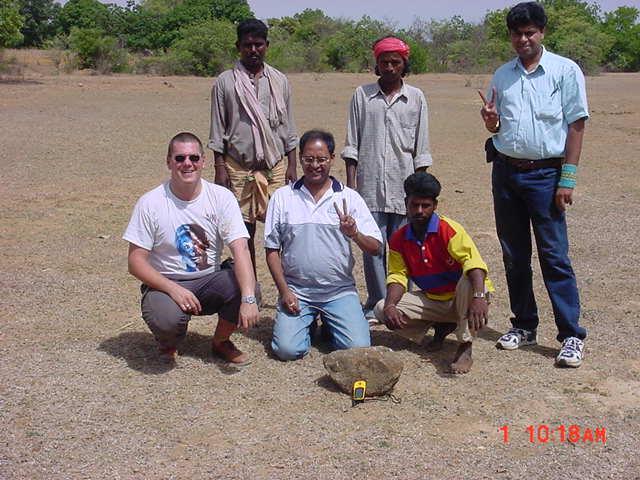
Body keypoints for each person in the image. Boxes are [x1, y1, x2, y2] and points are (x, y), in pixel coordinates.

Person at [479, 2, 588, 367]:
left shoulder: (564, 71)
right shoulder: (503, 75)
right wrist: (491, 122)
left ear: (542, 32)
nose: (523, 39)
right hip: (506, 173)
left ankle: (571, 335)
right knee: (514, 255)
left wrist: (567, 178)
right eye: (516, 33)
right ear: (509, 37)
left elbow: (576, 125)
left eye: (530, 32)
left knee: (554, 256)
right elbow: (497, 128)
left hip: (546, 176)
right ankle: (524, 325)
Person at [123, 132, 260, 364]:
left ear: (203, 161)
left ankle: (221, 342)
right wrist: (173, 289)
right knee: (166, 319)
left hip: (208, 279)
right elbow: (135, 262)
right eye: (180, 158)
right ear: (169, 162)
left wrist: (248, 298)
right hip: (167, 282)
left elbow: (241, 249)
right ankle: (168, 340)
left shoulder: (221, 198)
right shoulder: (150, 202)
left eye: (194, 158)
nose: (187, 163)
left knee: (249, 288)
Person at [265, 130, 383, 360]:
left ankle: (331, 321)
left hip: (339, 290)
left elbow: (376, 247)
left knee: (357, 349)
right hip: (297, 290)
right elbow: (271, 250)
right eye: (309, 159)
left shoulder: (349, 198)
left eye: (321, 159)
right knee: (287, 350)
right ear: (300, 159)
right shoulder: (282, 197)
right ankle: (306, 324)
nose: (315, 165)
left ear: (332, 158)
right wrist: (285, 291)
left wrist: (355, 233)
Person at [341, 35, 433, 322]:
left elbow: (421, 149)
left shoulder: (416, 98)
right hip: (369, 188)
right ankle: (377, 302)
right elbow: (352, 146)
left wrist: (421, 193)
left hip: (404, 188)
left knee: (407, 247)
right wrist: (352, 188)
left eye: (396, 62)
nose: (390, 67)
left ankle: (406, 303)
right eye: (384, 62)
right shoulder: (362, 95)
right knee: (373, 248)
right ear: (376, 65)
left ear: (404, 64)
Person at [209, 18, 298, 291]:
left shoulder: (280, 81)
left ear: (267, 46)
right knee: (243, 233)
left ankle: (289, 288)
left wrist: (293, 165)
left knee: (283, 231)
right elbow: (218, 127)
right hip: (238, 167)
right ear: (238, 47)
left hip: (275, 166)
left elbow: (288, 127)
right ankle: (250, 288)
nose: (253, 50)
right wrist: (220, 167)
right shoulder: (225, 82)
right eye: (247, 45)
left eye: (258, 44)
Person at [375, 172, 493, 374]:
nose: (419, 211)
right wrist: (390, 305)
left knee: (467, 279)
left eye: (426, 206)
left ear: (435, 205)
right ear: (406, 203)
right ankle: (443, 325)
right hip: (437, 300)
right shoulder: (398, 239)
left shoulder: (449, 230)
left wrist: (480, 297)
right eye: (414, 205)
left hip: (467, 297)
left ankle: (465, 345)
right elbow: (397, 276)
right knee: (381, 308)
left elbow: (473, 263)